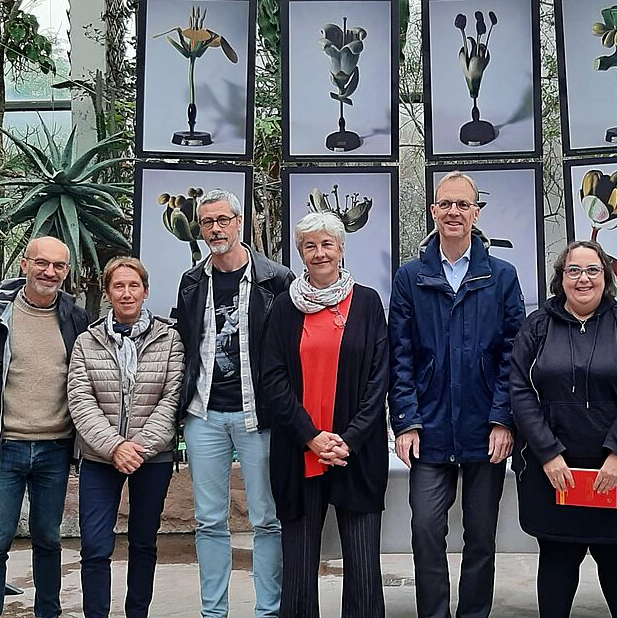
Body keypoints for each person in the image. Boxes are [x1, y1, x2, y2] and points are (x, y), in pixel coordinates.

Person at [388, 170, 525, 618]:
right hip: (428, 430)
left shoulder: (501, 276)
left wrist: (503, 419)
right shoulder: (410, 278)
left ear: (476, 213)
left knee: (481, 535)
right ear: (433, 211)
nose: (453, 212)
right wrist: (406, 422)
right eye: (445, 204)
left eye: (463, 205)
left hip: (484, 430)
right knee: (426, 528)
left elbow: (514, 355)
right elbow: (401, 355)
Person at [509, 240, 617, 618]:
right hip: (553, 471)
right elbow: (520, 391)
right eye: (573, 270)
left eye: (592, 270)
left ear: (606, 277)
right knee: (558, 556)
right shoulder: (537, 326)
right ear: (560, 278)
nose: (583, 279)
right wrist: (547, 453)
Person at [258, 212, 389, 618]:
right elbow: (272, 379)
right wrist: (312, 438)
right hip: (300, 454)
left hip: (356, 453)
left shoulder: (367, 302)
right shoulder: (283, 307)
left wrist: (348, 439)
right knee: (298, 571)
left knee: (365, 569)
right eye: (310, 246)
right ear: (300, 252)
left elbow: (378, 379)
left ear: (341, 249)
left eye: (327, 244)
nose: (319, 253)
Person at [175, 188, 293, 618]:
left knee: (266, 519)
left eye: (223, 220)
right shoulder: (192, 279)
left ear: (239, 222)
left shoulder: (275, 279)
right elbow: (189, 344)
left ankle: (268, 611)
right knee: (208, 521)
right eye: (207, 222)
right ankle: (214, 612)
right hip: (204, 415)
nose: (216, 229)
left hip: (256, 415)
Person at [0, 236, 91, 618]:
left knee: (49, 538)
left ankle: (47, 612)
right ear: (24, 264)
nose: (49, 272)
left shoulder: (75, 316)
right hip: (6, 448)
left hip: (55, 448)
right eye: (42, 263)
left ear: (66, 272)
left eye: (58, 266)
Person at [67, 257, 184, 618]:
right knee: (95, 545)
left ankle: (138, 613)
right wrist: (115, 446)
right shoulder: (87, 341)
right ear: (107, 293)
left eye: (134, 286)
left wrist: (140, 448)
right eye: (118, 286)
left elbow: (172, 397)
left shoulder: (170, 339)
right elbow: (80, 398)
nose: (127, 293)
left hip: (153, 457)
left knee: (144, 542)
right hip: (100, 458)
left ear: (146, 291)